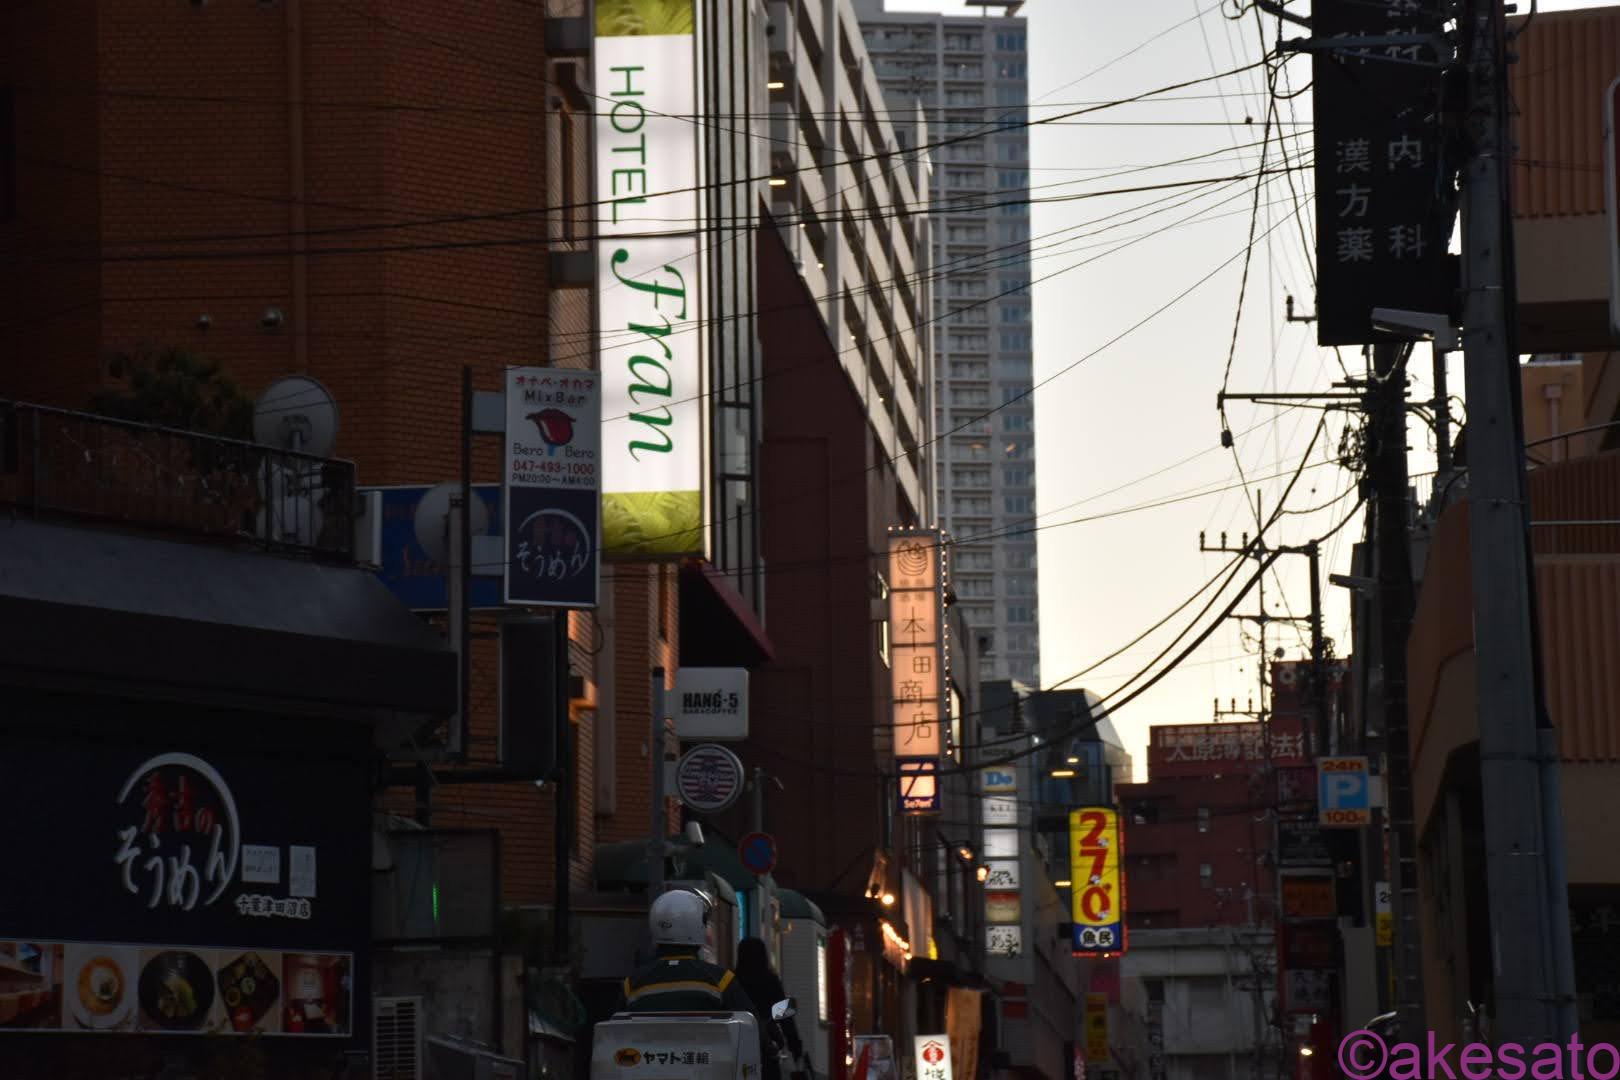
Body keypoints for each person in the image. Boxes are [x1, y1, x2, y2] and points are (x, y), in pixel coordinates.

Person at [613, 890, 775, 1063]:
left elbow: (613, 1033)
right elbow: (754, 1028)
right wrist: (769, 1048)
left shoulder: (632, 983)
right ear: (698, 927)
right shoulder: (720, 980)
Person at [735, 936, 806, 1080]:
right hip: (767, 1046)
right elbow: (786, 1020)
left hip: (739, 1047)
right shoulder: (771, 982)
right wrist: (796, 1048)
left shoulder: (733, 981)